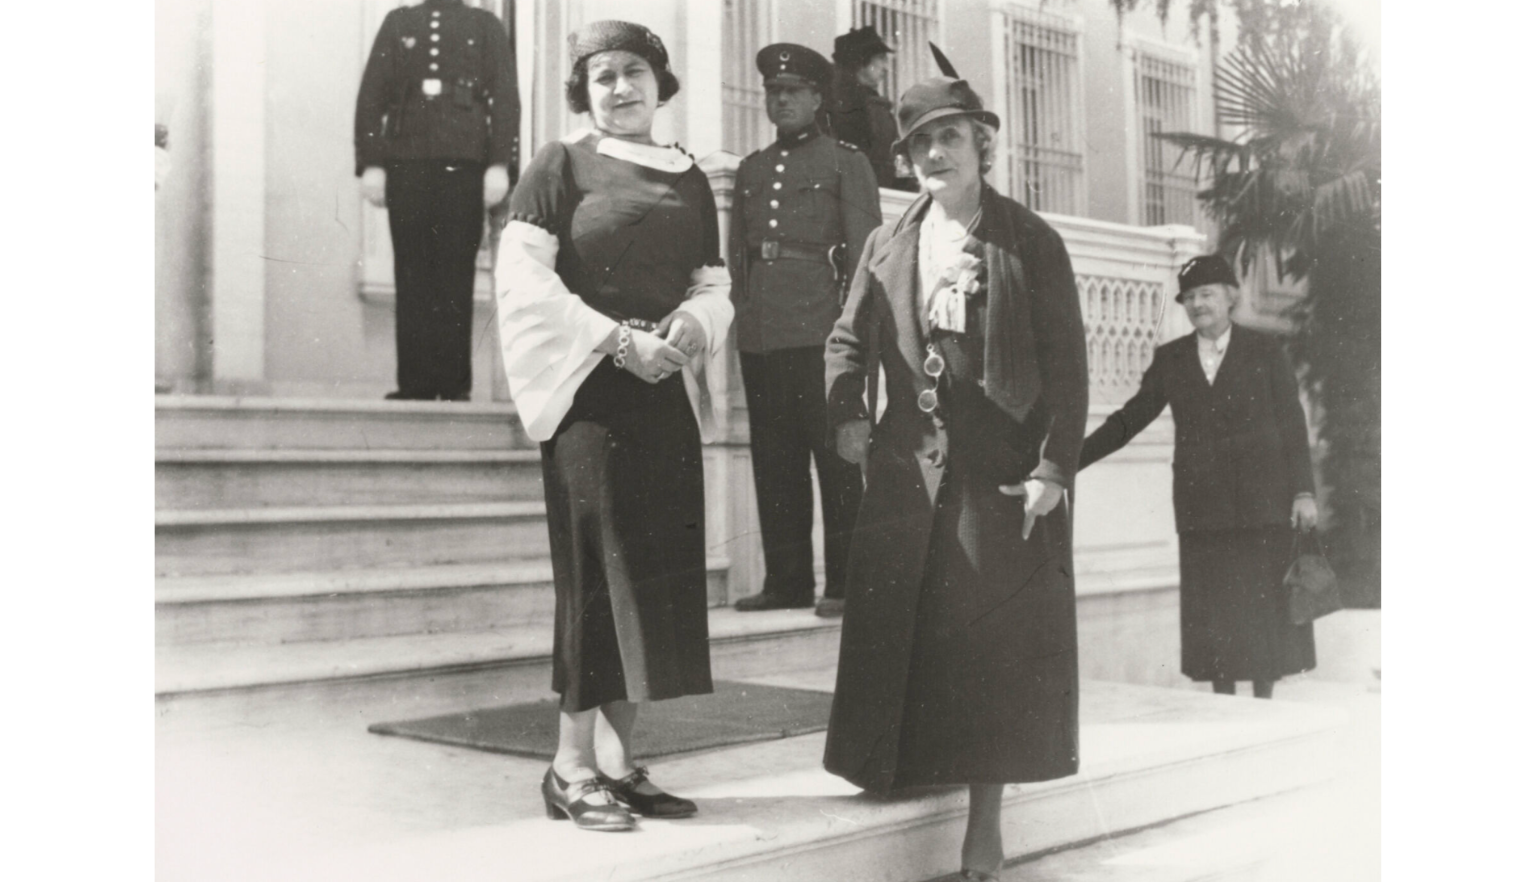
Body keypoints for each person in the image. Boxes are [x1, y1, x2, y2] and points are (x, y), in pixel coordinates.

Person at [822, 68, 1090, 882]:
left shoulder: (1030, 241)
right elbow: (846, 340)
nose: (934, 153)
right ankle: (891, 763)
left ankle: (984, 827)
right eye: (919, 143)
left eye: (949, 136)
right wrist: (844, 415)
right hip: (908, 470)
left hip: (997, 476)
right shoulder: (887, 239)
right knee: (901, 627)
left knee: (991, 650)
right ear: (905, 160)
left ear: (983, 144)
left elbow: (1070, 372)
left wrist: (1053, 469)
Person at [494, 20, 733, 831]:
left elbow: (712, 279)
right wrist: (615, 339)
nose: (620, 88)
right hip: (591, 397)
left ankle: (618, 764)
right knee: (597, 581)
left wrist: (698, 324)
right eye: (602, 77)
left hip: (659, 388)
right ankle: (567, 767)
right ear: (584, 91)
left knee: (654, 579)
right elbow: (522, 283)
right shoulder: (558, 166)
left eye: (634, 73)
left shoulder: (689, 177)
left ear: (660, 84)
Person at [1079, 255, 1319, 699]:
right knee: (1214, 611)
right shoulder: (1171, 358)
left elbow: (1291, 423)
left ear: (1230, 297)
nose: (1197, 305)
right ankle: (1223, 701)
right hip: (1201, 508)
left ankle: (1263, 701)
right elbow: (1129, 419)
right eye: (1189, 297)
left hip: (1262, 504)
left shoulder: (1266, 350)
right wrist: (1069, 460)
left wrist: (1303, 491)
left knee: (1261, 608)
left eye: (1206, 294)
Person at [729, 44, 882, 618]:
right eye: (773, 91)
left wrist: (854, 339)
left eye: (793, 90)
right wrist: (745, 320)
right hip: (763, 335)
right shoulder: (752, 168)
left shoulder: (847, 162)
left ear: (818, 98)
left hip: (823, 334)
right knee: (775, 461)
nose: (782, 99)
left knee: (837, 460)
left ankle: (844, 584)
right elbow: (738, 259)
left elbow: (868, 260)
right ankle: (786, 581)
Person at [355, 0, 519, 401]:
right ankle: (414, 384)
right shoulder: (399, 22)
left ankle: (452, 385)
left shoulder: (485, 25)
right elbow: (371, 96)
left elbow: (505, 98)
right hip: (406, 164)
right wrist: (372, 164)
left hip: (464, 165)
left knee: (454, 275)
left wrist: (499, 164)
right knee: (411, 273)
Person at [824, 26, 912, 191]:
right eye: (880, 58)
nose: (886, 67)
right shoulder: (838, 105)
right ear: (860, 60)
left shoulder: (877, 107)